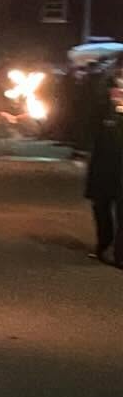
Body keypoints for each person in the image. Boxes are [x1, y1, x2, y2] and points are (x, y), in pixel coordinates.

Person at [84, 68, 123, 263]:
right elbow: (91, 119)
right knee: (101, 204)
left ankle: (120, 254)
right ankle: (103, 246)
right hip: (105, 157)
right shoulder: (104, 90)